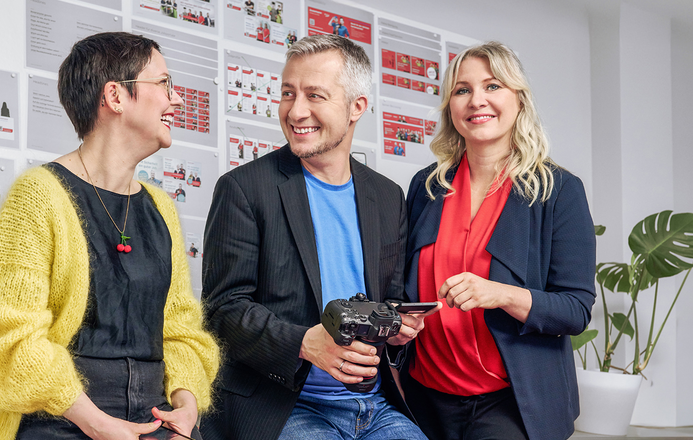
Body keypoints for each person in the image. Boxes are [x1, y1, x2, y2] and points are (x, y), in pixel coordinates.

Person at [0, 32, 220, 440]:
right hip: (59, 417)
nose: (176, 99)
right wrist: (98, 424)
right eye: (163, 84)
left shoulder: (161, 207)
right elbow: (12, 341)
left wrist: (186, 409)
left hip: (155, 416)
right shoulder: (36, 196)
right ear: (116, 96)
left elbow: (180, 329)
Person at [200, 34, 436, 440]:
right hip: (284, 406)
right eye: (288, 93)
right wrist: (305, 343)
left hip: (374, 405)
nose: (296, 111)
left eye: (315, 95)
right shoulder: (244, 188)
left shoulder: (387, 196)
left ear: (356, 107)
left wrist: (395, 327)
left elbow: (388, 298)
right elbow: (222, 310)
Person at [400, 41, 596, 440]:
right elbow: (403, 284)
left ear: (519, 100)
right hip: (423, 395)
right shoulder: (426, 186)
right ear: (450, 107)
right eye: (462, 90)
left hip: (510, 402)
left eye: (492, 86)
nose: (477, 101)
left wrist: (500, 293)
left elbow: (575, 310)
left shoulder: (558, 190)